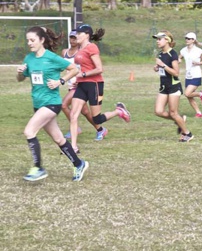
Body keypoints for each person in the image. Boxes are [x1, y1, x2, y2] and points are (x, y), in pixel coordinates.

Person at [17, 26, 88, 182]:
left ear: (42, 40)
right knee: (59, 139)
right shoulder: (29, 58)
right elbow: (21, 79)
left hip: (51, 104)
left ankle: (38, 167)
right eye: (27, 40)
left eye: (32, 40)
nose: (29, 43)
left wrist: (60, 81)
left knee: (29, 131)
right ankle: (79, 163)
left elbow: (74, 69)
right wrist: (20, 72)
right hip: (38, 104)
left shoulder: (51, 57)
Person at [69, 24, 130, 153]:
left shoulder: (92, 47)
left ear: (87, 35)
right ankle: (73, 147)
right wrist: (77, 79)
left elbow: (99, 69)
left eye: (79, 34)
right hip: (81, 85)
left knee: (97, 119)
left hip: (94, 85)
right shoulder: (79, 49)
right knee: (73, 115)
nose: (76, 36)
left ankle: (119, 111)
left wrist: (83, 75)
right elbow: (80, 68)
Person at [153, 31, 193, 142]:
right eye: (157, 39)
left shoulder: (173, 54)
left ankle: (187, 134)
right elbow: (162, 68)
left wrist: (163, 65)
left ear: (167, 40)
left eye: (159, 39)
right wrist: (157, 68)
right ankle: (180, 120)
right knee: (158, 111)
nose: (157, 41)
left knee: (173, 113)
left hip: (173, 87)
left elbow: (176, 73)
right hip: (164, 87)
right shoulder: (161, 54)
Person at [61, 30, 100, 139]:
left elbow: (91, 67)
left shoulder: (82, 52)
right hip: (71, 85)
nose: (73, 40)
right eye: (71, 37)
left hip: (80, 85)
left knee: (63, 105)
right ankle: (100, 129)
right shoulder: (64, 52)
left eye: (75, 37)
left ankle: (76, 129)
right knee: (85, 112)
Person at [179, 32, 202, 118]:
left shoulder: (198, 51)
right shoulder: (183, 50)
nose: (186, 40)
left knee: (187, 93)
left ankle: (201, 94)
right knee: (189, 97)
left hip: (196, 75)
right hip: (188, 76)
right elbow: (178, 57)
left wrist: (198, 63)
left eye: (188, 38)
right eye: (186, 38)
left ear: (193, 40)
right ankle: (199, 113)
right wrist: (178, 60)